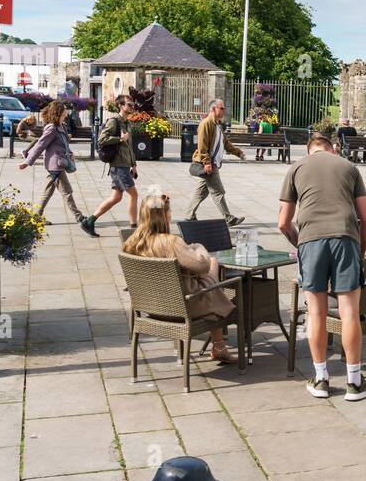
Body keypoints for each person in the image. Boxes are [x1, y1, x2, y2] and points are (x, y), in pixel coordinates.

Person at [278, 131, 366, 401]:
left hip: (311, 240)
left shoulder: (296, 168)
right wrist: (358, 249)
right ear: (332, 149)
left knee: (317, 313)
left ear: (309, 150)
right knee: (349, 312)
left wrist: (300, 244)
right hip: (345, 237)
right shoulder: (348, 166)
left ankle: (321, 379)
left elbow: (283, 223)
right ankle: (355, 383)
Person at [122, 187, 240, 365]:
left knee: (206, 282)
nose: (170, 215)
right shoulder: (171, 242)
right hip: (183, 309)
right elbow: (202, 265)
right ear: (163, 216)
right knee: (212, 268)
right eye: (169, 211)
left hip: (150, 306)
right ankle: (219, 345)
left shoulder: (131, 243)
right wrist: (197, 247)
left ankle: (218, 346)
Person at [18, 101, 89, 231]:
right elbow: (40, 145)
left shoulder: (60, 126)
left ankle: (36, 218)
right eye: (64, 111)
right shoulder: (52, 128)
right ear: (58, 112)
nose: (66, 113)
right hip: (55, 165)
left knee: (47, 192)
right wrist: (27, 161)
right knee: (67, 192)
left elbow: (63, 144)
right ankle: (79, 217)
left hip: (57, 163)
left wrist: (70, 153)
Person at [81, 95, 138, 236]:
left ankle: (89, 221)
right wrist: (119, 138)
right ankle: (133, 228)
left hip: (124, 165)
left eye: (132, 105)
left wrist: (133, 164)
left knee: (116, 198)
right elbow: (102, 139)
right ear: (121, 106)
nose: (132, 107)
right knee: (134, 194)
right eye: (129, 105)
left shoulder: (127, 123)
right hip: (118, 166)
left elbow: (129, 146)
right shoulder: (114, 122)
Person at [185, 99, 246, 227]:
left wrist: (238, 152)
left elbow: (225, 143)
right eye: (222, 108)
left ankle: (189, 216)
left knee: (201, 192)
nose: (224, 111)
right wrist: (207, 162)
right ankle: (229, 219)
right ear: (213, 109)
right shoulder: (206, 124)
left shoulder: (217, 124)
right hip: (209, 164)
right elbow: (202, 145)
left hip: (212, 163)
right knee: (218, 192)